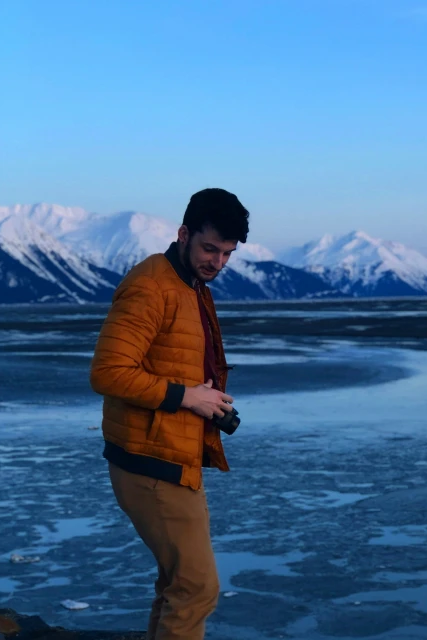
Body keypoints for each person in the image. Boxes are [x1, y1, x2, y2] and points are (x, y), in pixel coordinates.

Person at [89, 188, 249, 639]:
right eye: (209, 249)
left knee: (177, 583)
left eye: (227, 254)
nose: (217, 262)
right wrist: (187, 397)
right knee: (197, 588)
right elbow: (107, 372)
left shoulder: (187, 284)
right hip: (151, 463)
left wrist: (204, 396)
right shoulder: (151, 285)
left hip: (167, 454)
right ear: (183, 234)